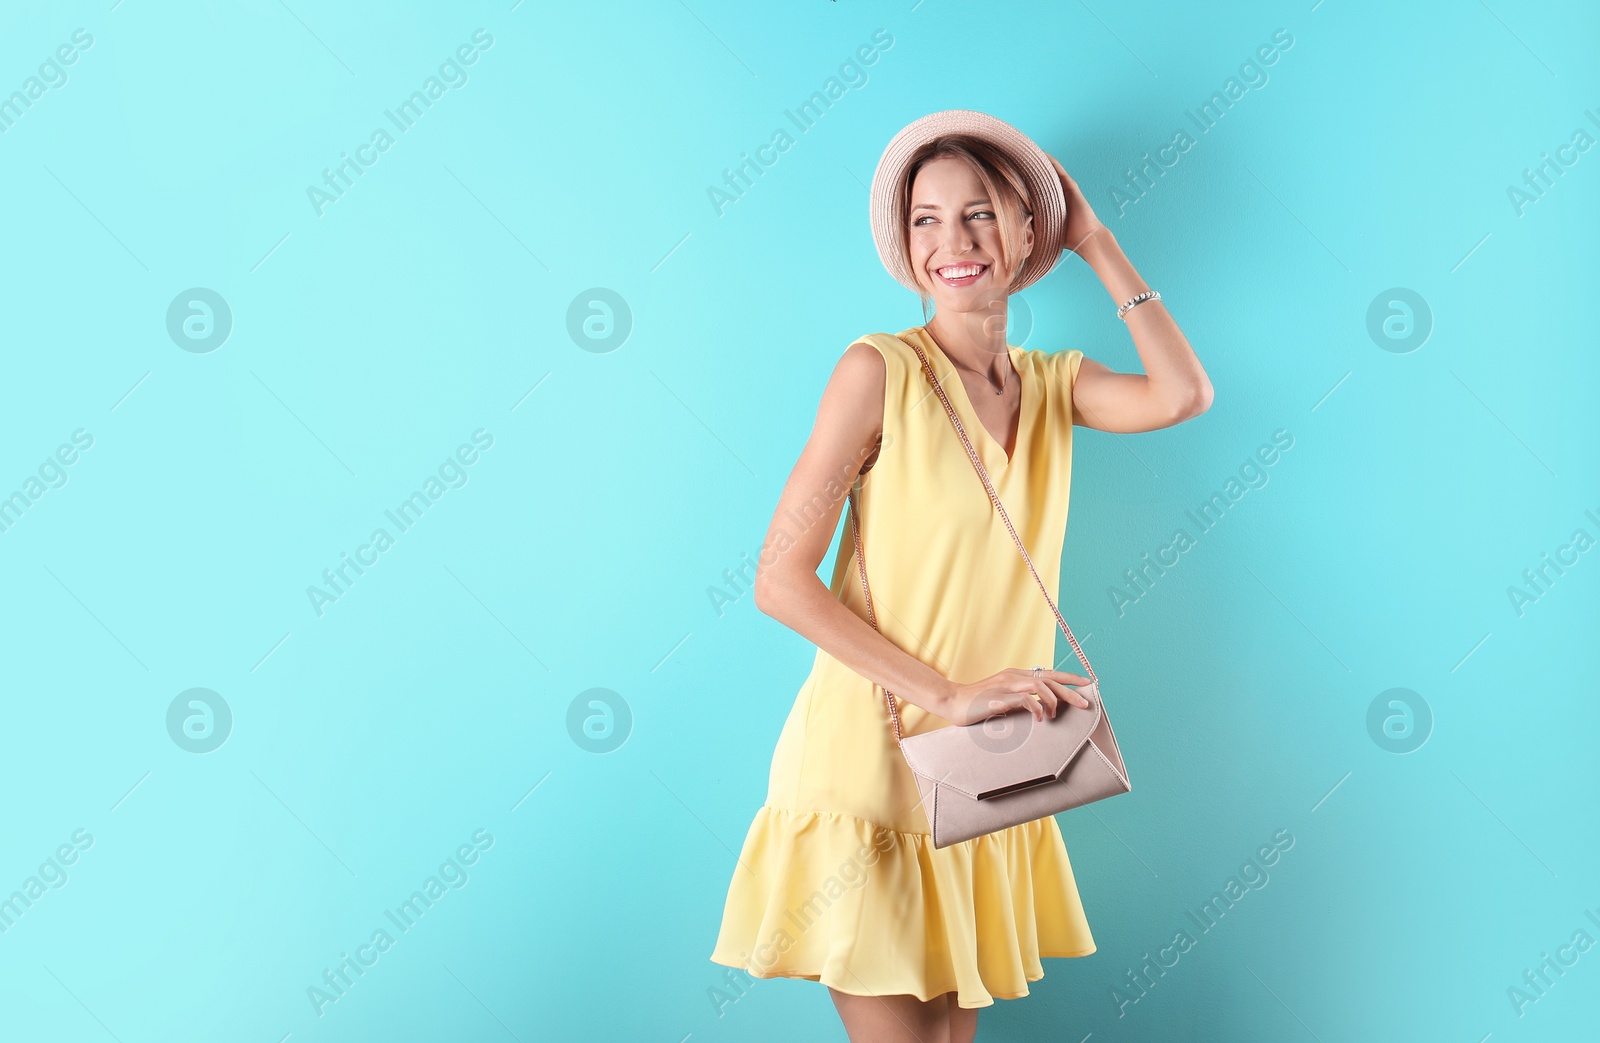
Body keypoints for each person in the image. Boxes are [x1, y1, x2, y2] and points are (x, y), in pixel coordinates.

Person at [708, 109, 1213, 1043]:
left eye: (979, 214)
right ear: (904, 245)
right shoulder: (878, 371)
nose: (952, 242)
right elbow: (780, 578)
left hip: (985, 774)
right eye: (926, 220)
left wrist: (1096, 241)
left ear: (1029, 233)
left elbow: (1183, 394)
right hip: (871, 764)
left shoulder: (1056, 385)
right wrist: (950, 692)